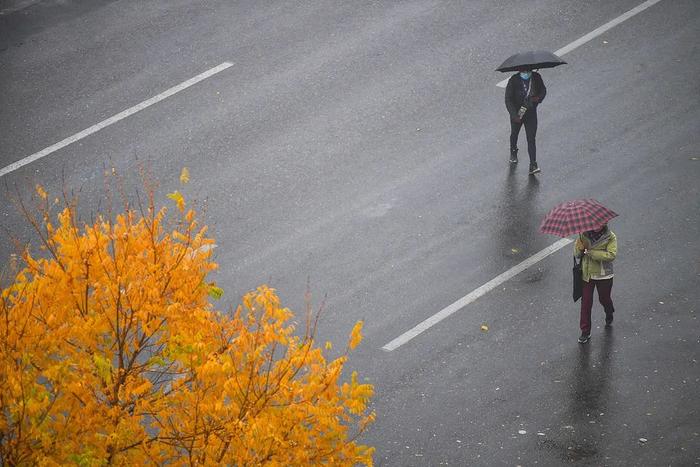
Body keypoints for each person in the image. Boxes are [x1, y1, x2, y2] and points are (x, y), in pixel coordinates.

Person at [574, 224, 617, 344]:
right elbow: (577, 254)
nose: (597, 225)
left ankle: (609, 311)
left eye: (600, 222)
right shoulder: (583, 235)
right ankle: (585, 331)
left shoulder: (610, 237)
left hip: (604, 275)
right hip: (587, 275)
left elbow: (611, 255)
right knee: (586, 303)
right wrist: (580, 249)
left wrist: (592, 253)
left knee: (604, 299)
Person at [504, 68, 546, 174]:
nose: (526, 73)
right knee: (514, 134)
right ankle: (513, 150)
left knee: (531, 138)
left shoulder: (536, 77)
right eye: (524, 71)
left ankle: (533, 164)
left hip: (531, 113)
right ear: (519, 71)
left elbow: (543, 90)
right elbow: (508, 99)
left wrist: (538, 98)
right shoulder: (513, 80)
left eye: (528, 71)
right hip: (518, 113)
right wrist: (514, 115)